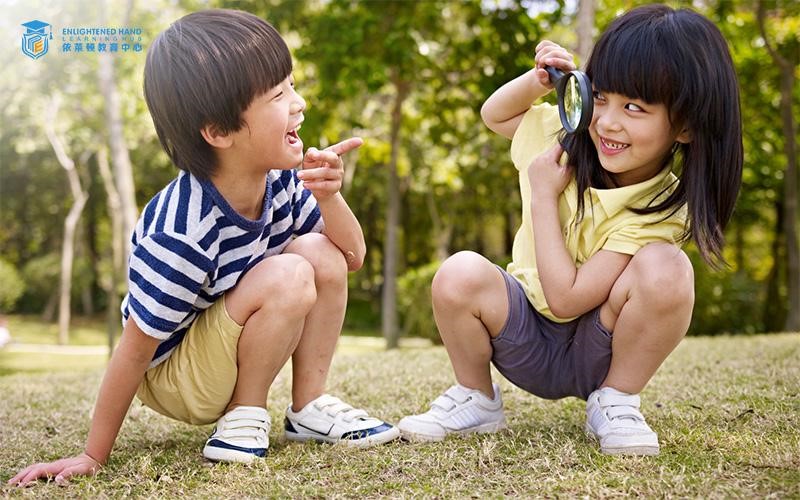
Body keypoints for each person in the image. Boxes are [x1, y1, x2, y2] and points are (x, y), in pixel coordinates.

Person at [9, 9, 399, 487]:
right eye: (279, 95)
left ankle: (309, 407)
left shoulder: (282, 184)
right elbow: (134, 349)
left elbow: (350, 258)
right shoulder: (184, 230)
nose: (299, 104)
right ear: (219, 132)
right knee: (290, 273)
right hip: (176, 376)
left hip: (225, 340)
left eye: (292, 86)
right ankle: (245, 412)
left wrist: (329, 196)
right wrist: (92, 455)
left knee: (318, 252)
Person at [398, 4, 742, 456]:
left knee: (668, 268)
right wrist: (538, 81)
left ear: (685, 126)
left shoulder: (662, 205)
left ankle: (616, 400)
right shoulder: (563, 140)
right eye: (601, 97)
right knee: (459, 272)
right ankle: (476, 397)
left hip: (595, 348)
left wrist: (543, 197)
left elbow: (567, 299)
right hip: (521, 336)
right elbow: (495, 115)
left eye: (634, 107)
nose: (608, 122)